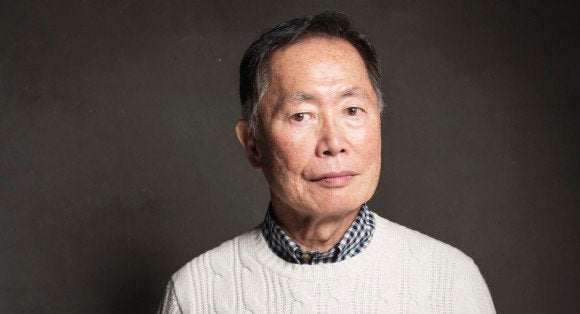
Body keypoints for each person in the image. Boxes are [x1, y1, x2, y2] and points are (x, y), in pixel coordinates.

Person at [159, 11, 495, 313]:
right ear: (253, 145)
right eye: (301, 115)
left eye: (352, 110)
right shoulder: (197, 293)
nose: (333, 143)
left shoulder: (451, 281)